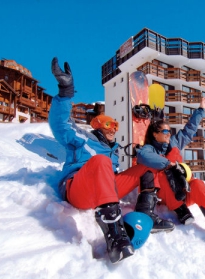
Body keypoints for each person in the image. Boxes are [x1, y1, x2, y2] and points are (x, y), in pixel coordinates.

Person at [48, 57, 174, 264]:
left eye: (116, 126)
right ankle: (115, 233)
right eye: (109, 125)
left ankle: (147, 213)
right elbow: (59, 125)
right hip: (80, 189)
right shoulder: (82, 139)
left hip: (107, 188)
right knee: (101, 162)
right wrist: (66, 91)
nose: (114, 129)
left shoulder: (113, 152)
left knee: (146, 167)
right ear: (98, 126)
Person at [136, 97, 205, 240]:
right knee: (162, 172)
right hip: (166, 197)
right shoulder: (149, 148)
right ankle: (180, 210)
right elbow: (142, 156)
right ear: (155, 134)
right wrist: (169, 164)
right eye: (165, 132)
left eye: (169, 131)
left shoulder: (174, 142)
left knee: (197, 183)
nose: (168, 134)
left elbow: (189, 129)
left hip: (183, 191)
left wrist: (200, 109)